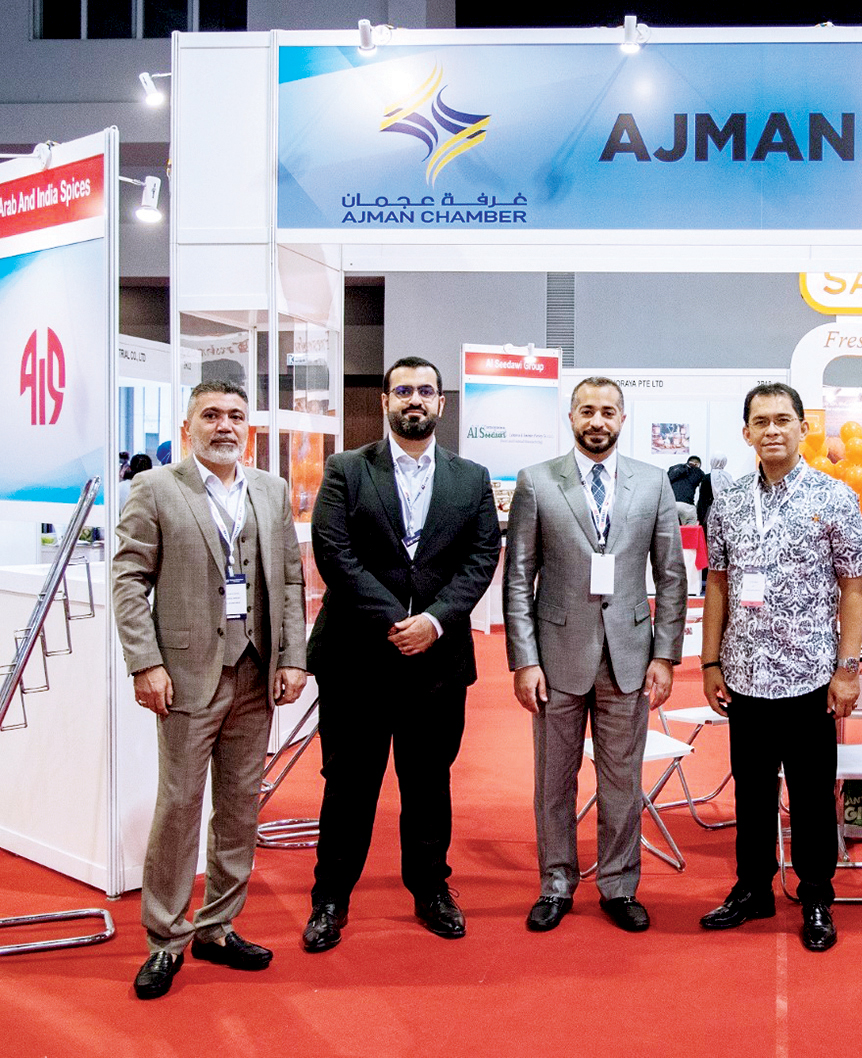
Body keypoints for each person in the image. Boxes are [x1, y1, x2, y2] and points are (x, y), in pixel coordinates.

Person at [112, 380, 307, 999]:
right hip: (187, 675)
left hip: (256, 671)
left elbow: (292, 580)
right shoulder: (156, 487)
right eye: (212, 415)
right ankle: (165, 939)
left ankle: (217, 927)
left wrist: (293, 657)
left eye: (236, 416)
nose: (225, 425)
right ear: (188, 425)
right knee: (179, 806)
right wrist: (145, 663)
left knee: (241, 805)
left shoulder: (270, 490)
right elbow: (128, 578)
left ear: (248, 427)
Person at [301, 356, 501, 952]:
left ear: (442, 403)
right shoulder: (346, 469)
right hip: (357, 658)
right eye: (404, 390)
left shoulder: (471, 478)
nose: (416, 399)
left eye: (426, 391)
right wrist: (397, 620)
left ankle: (431, 889)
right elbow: (333, 552)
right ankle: (330, 899)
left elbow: (482, 557)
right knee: (348, 785)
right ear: (385, 400)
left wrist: (434, 622)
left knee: (428, 784)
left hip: (437, 662)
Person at [505, 376, 686, 934]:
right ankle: (556, 883)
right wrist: (524, 660)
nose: (597, 421)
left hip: (630, 657)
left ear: (623, 418)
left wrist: (665, 655)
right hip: (556, 659)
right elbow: (518, 578)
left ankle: (619, 885)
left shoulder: (653, 483)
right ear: (571, 417)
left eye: (608, 411)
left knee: (622, 781)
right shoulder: (537, 482)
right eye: (587, 410)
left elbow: (671, 576)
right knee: (553, 782)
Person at [698, 383, 862, 953]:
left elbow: (853, 587)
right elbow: (717, 582)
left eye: (782, 419)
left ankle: (816, 895)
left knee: (812, 794)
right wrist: (709, 660)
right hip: (745, 674)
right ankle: (753, 888)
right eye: (761, 421)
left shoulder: (835, 496)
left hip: (811, 677)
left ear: (803, 427)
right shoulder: (727, 501)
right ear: (746, 432)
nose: (772, 430)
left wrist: (848, 668)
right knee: (751, 792)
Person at [668, 455, 705, 525]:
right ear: (697, 465)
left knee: (670, 529)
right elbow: (704, 490)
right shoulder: (698, 472)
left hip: (671, 504)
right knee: (691, 528)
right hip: (687, 505)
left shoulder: (674, 469)